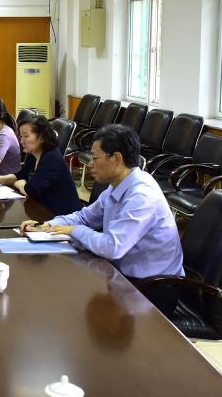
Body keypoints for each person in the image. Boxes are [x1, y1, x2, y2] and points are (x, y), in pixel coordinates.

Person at [19, 124, 183, 314]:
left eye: (95, 158)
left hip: (153, 287)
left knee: (70, 303)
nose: (89, 164)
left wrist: (74, 230)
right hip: (123, 274)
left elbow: (112, 247)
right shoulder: (118, 185)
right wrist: (47, 225)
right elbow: (84, 216)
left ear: (116, 159)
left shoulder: (141, 196)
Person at [0, 115, 81, 216]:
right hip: (44, 208)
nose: (21, 141)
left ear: (42, 137)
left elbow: (30, 190)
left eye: (26, 136)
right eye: (21, 136)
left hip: (64, 216)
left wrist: (20, 184)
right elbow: (20, 176)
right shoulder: (33, 153)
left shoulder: (51, 158)